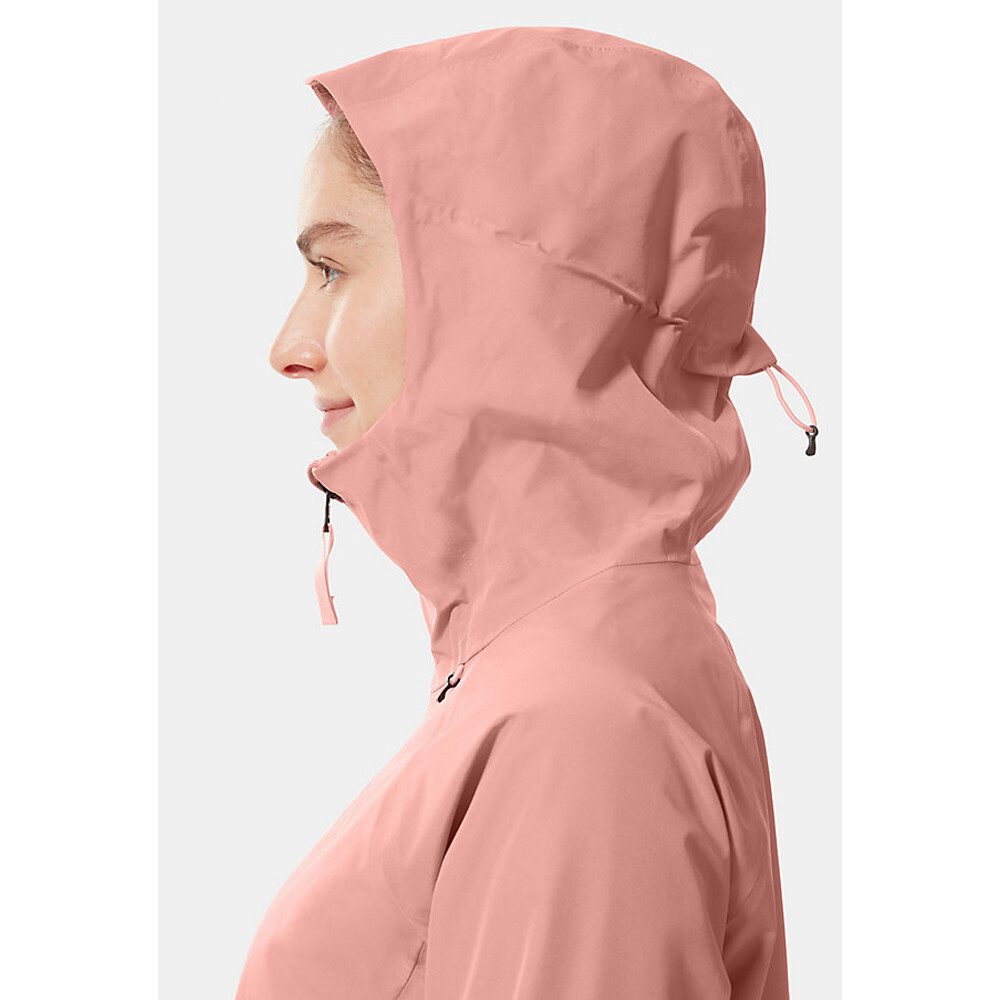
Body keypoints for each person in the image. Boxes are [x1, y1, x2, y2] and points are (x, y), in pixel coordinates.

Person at [238, 24, 820, 1000]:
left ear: (497, 290)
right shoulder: (567, 666)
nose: (288, 346)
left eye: (331, 269)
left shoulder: (579, 727)